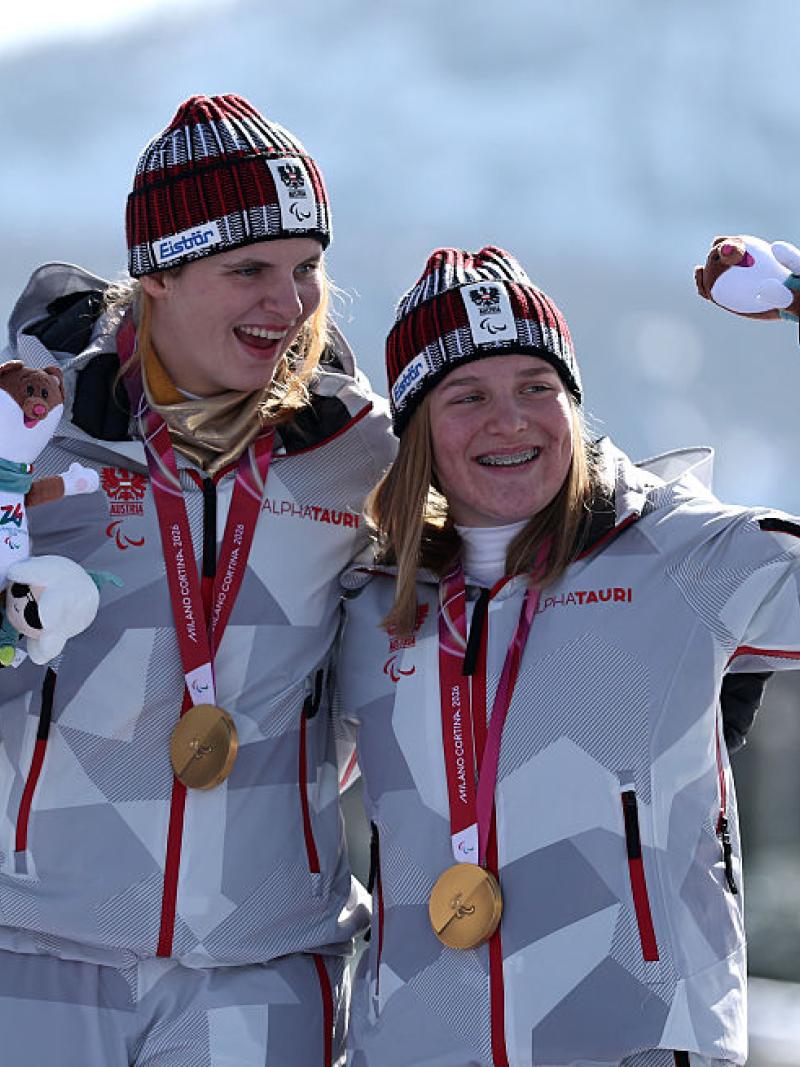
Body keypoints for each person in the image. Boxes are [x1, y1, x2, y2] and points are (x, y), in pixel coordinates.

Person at [0, 94, 394, 1067]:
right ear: (159, 274)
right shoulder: (33, 433)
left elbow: (528, 528)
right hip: (31, 951)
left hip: (262, 968)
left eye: (306, 267)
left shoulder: (354, 450)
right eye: (248, 269)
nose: (288, 303)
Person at [336, 244, 800, 1067]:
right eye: (468, 396)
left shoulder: (684, 557)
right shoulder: (368, 604)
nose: (510, 420)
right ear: (416, 432)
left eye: (536, 387)